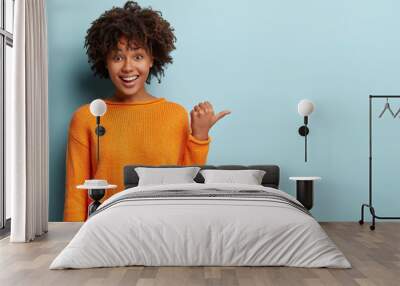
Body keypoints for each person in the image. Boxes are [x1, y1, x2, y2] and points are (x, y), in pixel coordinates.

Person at [63, 1, 231, 221]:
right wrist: (70, 241)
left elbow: (188, 185)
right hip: (106, 230)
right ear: (105, 61)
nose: (128, 67)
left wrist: (199, 137)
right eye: (117, 57)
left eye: (138, 56)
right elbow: (76, 195)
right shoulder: (85, 118)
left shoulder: (175, 115)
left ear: (153, 59)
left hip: (166, 226)